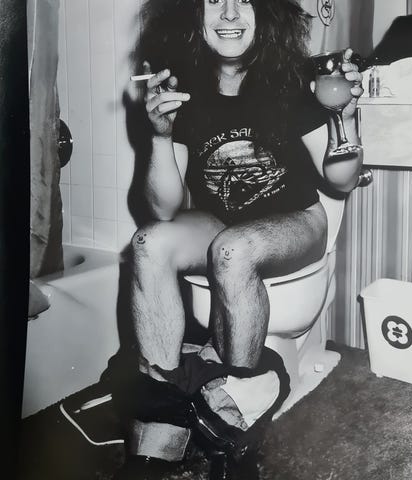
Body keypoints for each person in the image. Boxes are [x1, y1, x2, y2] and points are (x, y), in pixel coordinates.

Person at [69, 1, 363, 479]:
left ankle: (238, 431)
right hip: (217, 220)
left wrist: (345, 118)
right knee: (148, 244)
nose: (228, 13)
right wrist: (160, 136)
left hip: (296, 220)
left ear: (266, 12)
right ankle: (161, 423)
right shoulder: (181, 87)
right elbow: (163, 210)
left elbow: (342, 181)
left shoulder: (293, 80)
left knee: (234, 249)